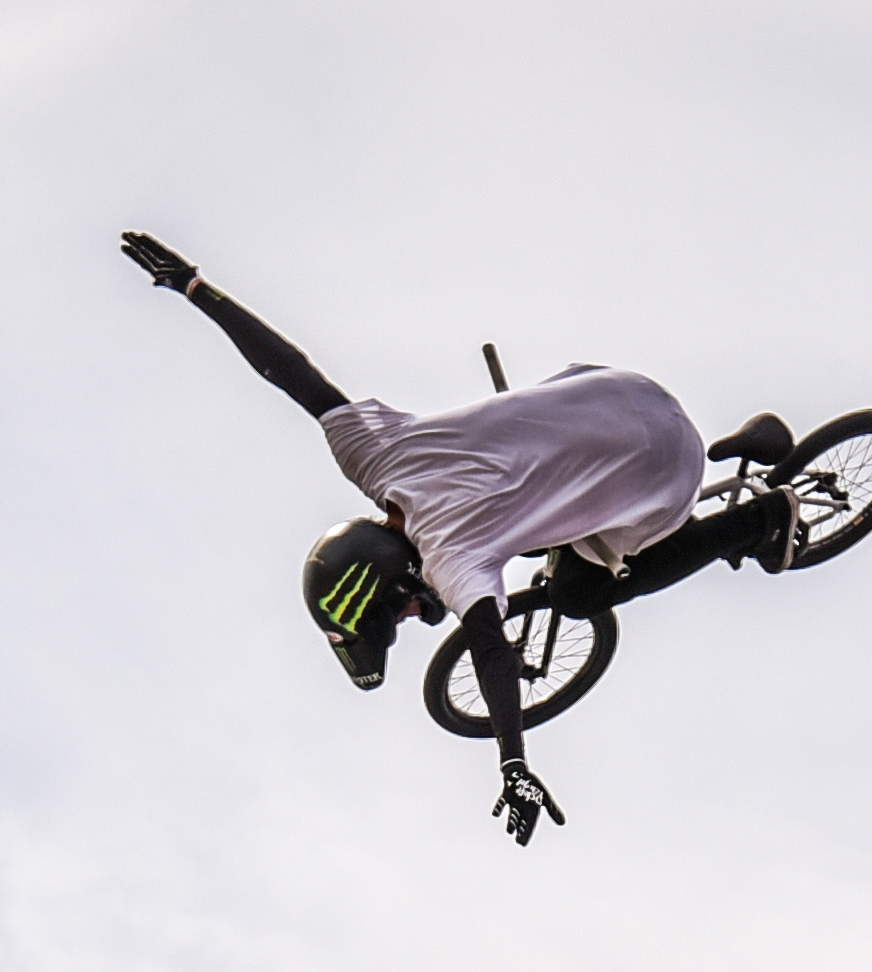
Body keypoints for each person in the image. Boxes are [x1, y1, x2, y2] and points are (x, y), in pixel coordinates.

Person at [118, 231, 783, 843]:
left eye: (402, 612)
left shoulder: (453, 557)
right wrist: (195, 287)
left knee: (582, 592)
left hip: (667, 460)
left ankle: (757, 522)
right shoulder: (373, 458)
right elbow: (289, 372)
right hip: (621, 387)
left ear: (389, 584)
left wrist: (513, 762)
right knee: (529, 499)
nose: (418, 614)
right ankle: (744, 449)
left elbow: (493, 655)